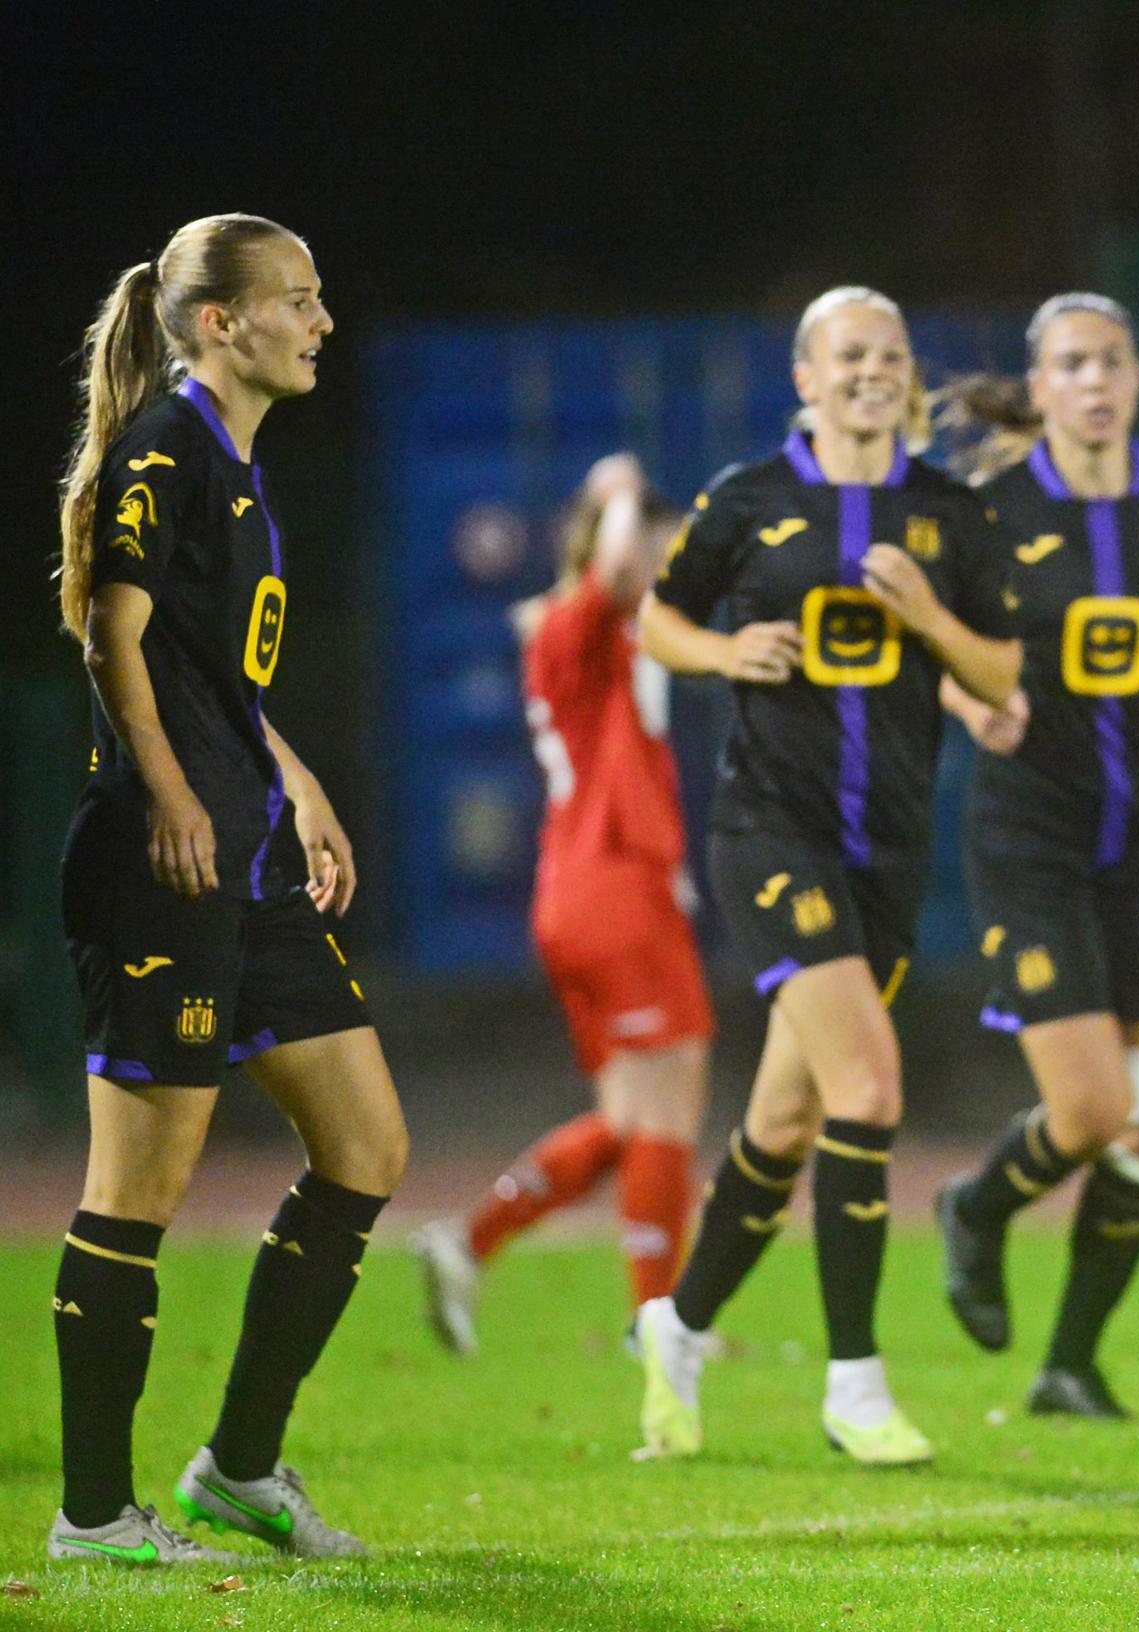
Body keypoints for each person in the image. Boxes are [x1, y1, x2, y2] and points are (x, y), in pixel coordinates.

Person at [47, 214, 407, 1566]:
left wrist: (291, 781)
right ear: (220, 322)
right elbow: (111, 628)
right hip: (165, 863)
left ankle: (239, 1470)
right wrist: (178, 795)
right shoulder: (165, 446)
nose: (320, 323)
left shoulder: (244, 473)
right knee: (140, 1185)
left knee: (367, 1146)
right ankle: (92, 1514)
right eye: (296, 301)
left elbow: (215, 677)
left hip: (247, 856)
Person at [625, 287, 1019, 1467]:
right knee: (868, 1088)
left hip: (885, 851)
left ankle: (678, 1326)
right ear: (805, 376)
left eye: (891, 355)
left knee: (787, 1119)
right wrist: (723, 650)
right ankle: (855, 1384)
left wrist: (932, 621)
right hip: (769, 832)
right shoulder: (747, 499)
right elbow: (657, 620)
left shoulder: (948, 512)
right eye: (849, 354)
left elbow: (1001, 676)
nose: (871, 371)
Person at [932, 292, 1139, 1419]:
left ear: (1134, 380)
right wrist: (965, 701)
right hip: (1030, 837)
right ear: (1039, 386)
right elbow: (931, 646)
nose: (1092, 380)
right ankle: (978, 1208)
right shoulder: (983, 513)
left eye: (1110, 361)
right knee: (1087, 1113)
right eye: (1070, 363)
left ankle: (1069, 1364)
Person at [410, 454, 711, 1352]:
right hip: (617, 886)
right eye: (656, 549)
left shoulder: (584, 632)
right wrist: (618, 491)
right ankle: (658, 1322)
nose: (660, 566)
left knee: (630, 1122)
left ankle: (469, 1244)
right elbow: (618, 565)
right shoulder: (586, 621)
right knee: (669, 1112)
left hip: (580, 890)